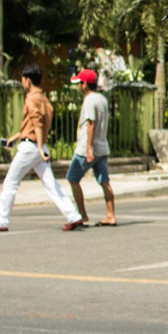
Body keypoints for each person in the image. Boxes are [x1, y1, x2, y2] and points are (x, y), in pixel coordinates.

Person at [0, 66, 82, 233]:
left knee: (10, 183)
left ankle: (1, 221)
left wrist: (38, 146)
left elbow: (37, 123)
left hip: (32, 147)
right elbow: (33, 125)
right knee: (51, 184)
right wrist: (15, 139)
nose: (22, 83)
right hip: (38, 145)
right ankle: (73, 216)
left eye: (22, 79)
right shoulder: (44, 99)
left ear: (28, 80)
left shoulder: (31, 98)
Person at [68, 68, 117, 228]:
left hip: (87, 148)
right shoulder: (102, 99)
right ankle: (111, 214)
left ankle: (82, 214)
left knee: (72, 178)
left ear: (85, 84)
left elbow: (91, 123)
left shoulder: (89, 100)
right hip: (102, 146)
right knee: (104, 181)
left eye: (79, 83)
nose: (78, 87)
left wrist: (88, 149)